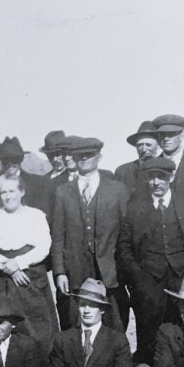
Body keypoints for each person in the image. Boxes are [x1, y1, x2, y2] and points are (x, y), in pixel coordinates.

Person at [116, 156, 184, 366]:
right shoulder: (135, 209)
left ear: (171, 177)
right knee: (149, 337)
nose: (156, 182)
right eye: (151, 177)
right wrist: (138, 277)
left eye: (161, 177)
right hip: (149, 284)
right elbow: (124, 248)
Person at [51, 137, 130, 331]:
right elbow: (58, 235)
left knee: (114, 324)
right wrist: (60, 272)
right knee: (74, 324)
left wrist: (125, 269)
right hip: (75, 270)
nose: (84, 158)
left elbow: (126, 233)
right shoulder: (62, 192)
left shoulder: (117, 189)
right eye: (80, 155)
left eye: (89, 154)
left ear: (99, 157)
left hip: (110, 271)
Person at [0, 173, 57, 346]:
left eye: (12, 191)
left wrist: (19, 263)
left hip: (30, 277)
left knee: (36, 328)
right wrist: (6, 265)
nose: (8, 196)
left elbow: (44, 247)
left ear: (22, 192)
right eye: (3, 192)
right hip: (2, 277)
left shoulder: (36, 215)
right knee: (3, 323)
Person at [0, 136, 51, 220]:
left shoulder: (38, 183)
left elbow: (44, 214)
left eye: (14, 159)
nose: (10, 163)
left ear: (20, 159)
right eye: (6, 159)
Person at [115, 120, 162, 200]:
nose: (144, 149)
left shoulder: (167, 169)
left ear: (158, 146)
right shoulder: (123, 172)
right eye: (140, 145)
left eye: (148, 145)